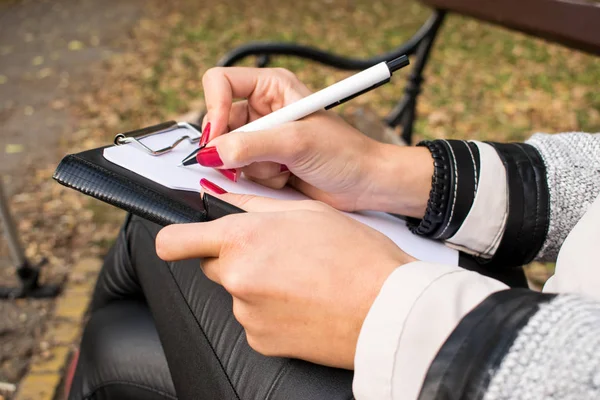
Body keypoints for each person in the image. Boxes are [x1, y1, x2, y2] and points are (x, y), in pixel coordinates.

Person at [70, 67, 600, 400]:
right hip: (518, 319)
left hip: (487, 354)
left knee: (153, 228)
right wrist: (386, 171)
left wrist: (392, 310)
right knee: (113, 344)